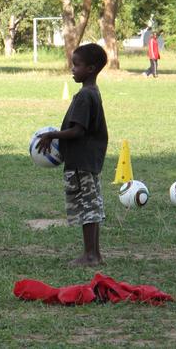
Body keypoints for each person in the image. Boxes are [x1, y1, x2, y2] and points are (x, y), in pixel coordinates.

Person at [37, 43, 108, 267]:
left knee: (87, 208)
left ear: (91, 68)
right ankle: (95, 254)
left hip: (80, 162)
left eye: (76, 65)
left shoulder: (84, 97)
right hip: (89, 160)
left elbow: (78, 130)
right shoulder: (93, 92)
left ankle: (89, 255)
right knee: (92, 207)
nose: (72, 69)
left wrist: (52, 135)